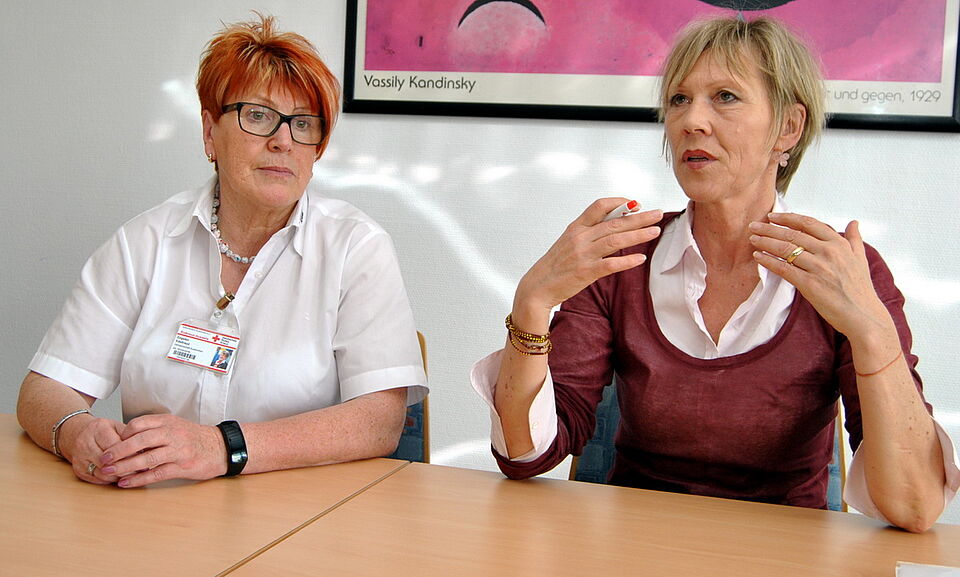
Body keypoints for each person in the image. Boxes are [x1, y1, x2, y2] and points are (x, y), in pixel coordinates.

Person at [472, 16, 957, 533]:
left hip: (785, 556)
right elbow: (525, 456)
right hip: (633, 546)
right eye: (679, 100)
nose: (691, 121)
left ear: (788, 128)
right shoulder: (622, 256)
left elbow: (914, 507)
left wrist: (872, 332)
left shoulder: (843, 269)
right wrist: (531, 304)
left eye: (725, 97)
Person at [17, 14, 427, 488]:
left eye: (303, 124)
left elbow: (380, 421)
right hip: (158, 507)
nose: (283, 141)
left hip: (305, 510)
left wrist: (222, 446)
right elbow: (45, 388)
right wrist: (76, 432)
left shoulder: (356, 247)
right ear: (210, 132)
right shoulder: (143, 243)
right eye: (258, 116)